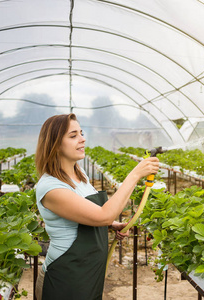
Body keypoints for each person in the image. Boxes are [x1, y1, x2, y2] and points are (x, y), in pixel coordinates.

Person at [34, 113, 159, 300]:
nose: (82, 139)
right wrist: (135, 175)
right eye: (73, 135)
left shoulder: (80, 174)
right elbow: (102, 215)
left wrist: (110, 225)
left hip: (90, 275)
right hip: (66, 279)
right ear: (55, 144)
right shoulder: (51, 187)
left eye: (81, 133)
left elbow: (89, 216)